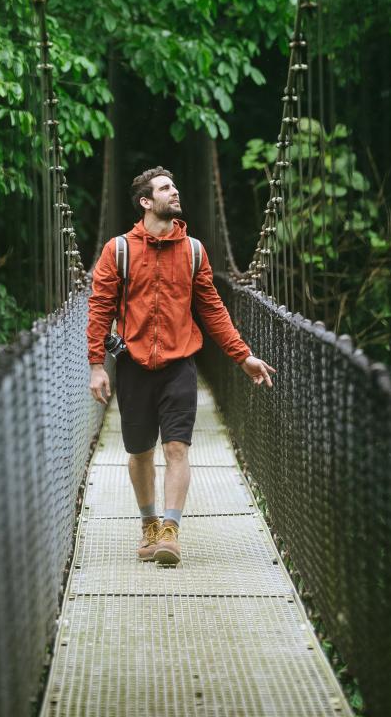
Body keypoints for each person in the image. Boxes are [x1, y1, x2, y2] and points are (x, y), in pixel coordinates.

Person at [87, 165, 274, 567]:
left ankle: (170, 530)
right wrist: (96, 366)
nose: (175, 193)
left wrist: (242, 356)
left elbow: (212, 309)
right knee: (139, 453)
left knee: (176, 447)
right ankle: (149, 523)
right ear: (145, 201)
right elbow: (100, 308)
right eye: (165, 188)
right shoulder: (118, 250)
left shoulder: (193, 251)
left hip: (179, 365)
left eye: (174, 186)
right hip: (134, 365)